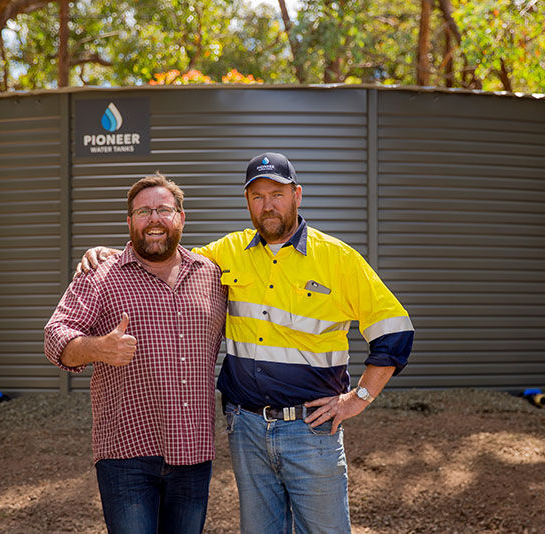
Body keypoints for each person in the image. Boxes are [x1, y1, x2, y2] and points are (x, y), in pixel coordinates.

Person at [79, 153, 414, 534]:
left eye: (278, 193)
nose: (268, 204)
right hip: (247, 429)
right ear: (247, 202)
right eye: (257, 196)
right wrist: (107, 253)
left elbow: (394, 330)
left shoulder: (338, 259)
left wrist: (359, 398)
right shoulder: (226, 253)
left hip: (311, 430)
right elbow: (165, 257)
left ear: (297, 195)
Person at [44, 174, 227, 534]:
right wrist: (97, 348)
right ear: (129, 222)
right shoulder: (101, 275)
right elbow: (54, 337)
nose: (154, 219)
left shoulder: (212, 275)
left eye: (163, 210)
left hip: (193, 450)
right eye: (143, 211)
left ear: (181, 218)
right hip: (126, 455)